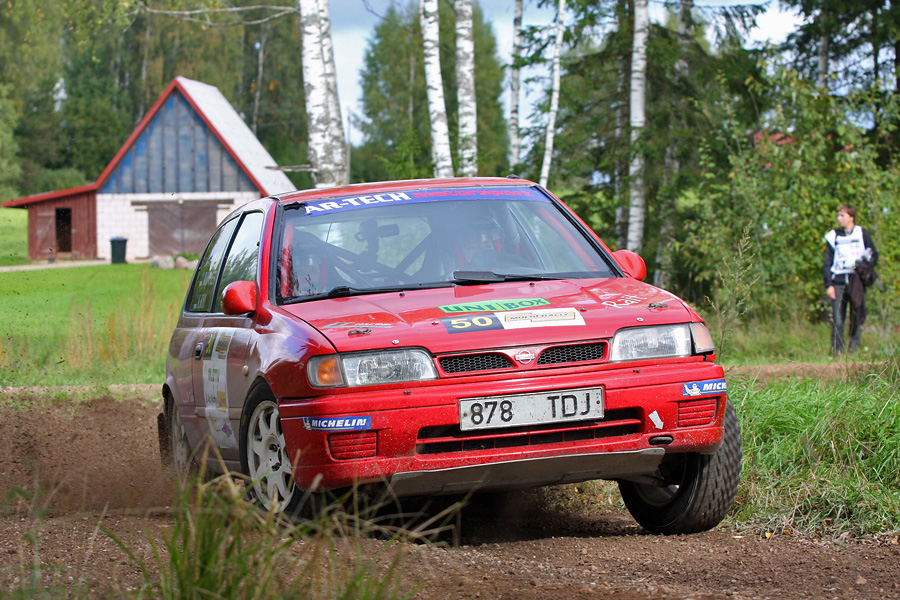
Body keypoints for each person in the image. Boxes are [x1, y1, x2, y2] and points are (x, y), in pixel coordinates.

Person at [823, 204, 878, 356]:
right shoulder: (833, 236)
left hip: (856, 282)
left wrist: (864, 267)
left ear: (851, 217)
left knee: (856, 315)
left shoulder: (862, 234)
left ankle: (853, 351)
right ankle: (837, 353)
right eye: (838, 215)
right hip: (838, 282)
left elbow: (873, 255)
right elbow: (827, 262)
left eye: (842, 215)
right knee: (838, 318)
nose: (839, 218)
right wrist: (829, 284)